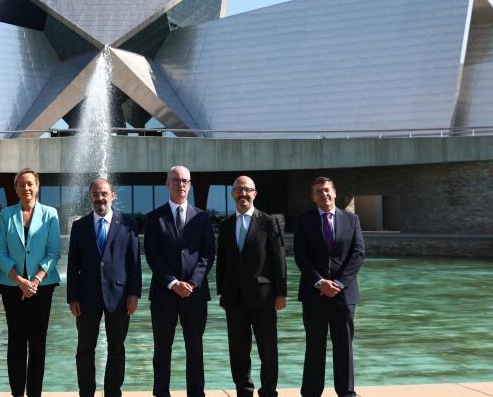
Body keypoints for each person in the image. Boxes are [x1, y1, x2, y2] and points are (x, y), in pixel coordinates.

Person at [144, 165, 216, 397]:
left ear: (190, 185)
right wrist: (174, 283)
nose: (181, 184)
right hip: (164, 294)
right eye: (176, 180)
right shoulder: (154, 218)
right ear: (167, 184)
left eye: (185, 180)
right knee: (162, 348)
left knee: (195, 347)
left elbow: (208, 254)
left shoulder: (202, 217)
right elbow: (152, 255)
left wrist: (192, 283)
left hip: (195, 295)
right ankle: (161, 392)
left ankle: (196, 393)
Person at [67, 178, 142, 397]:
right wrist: (73, 297)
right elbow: (72, 265)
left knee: (117, 349)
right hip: (86, 297)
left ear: (112, 195)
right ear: (90, 197)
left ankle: (113, 392)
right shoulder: (79, 226)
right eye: (95, 194)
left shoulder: (128, 224)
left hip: (119, 297)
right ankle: (86, 392)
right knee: (84, 350)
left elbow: (134, 264)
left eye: (104, 194)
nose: (100, 198)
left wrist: (134, 294)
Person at [294, 177, 365, 397]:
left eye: (326, 190)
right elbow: (300, 256)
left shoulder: (352, 220)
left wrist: (340, 283)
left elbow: (358, 254)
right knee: (315, 347)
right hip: (313, 293)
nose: (323, 194)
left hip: (344, 296)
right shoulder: (304, 221)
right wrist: (319, 281)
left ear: (334, 192)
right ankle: (311, 393)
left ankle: (346, 393)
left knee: (344, 347)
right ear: (313, 197)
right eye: (318, 191)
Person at [217, 176, 287, 397]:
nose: (243, 194)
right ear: (232, 194)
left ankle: (268, 391)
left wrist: (281, 293)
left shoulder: (268, 222)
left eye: (247, 190)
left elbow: (279, 260)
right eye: (238, 190)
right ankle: (243, 390)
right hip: (234, 299)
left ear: (255, 193)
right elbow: (223, 262)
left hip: (264, 297)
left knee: (268, 350)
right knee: (238, 350)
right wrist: (222, 292)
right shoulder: (225, 225)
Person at [0, 167, 62, 397]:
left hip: (41, 287)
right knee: (16, 341)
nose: (26, 188)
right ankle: (16, 393)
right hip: (12, 286)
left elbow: (54, 252)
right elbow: (0, 253)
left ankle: (34, 393)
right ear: (15, 189)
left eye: (30, 183)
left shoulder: (50, 214)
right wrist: (20, 280)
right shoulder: (6, 214)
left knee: (37, 341)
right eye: (21, 184)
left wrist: (34, 281)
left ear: (37, 185)